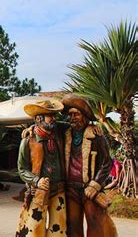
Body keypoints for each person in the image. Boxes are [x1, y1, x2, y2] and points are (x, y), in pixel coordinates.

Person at [62, 94, 117, 237]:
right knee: (72, 224)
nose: (72, 118)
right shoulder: (65, 133)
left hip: (90, 189)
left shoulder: (96, 136)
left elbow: (107, 162)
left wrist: (95, 185)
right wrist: (30, 130)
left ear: (84, 116)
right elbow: (47, 127)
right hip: (71, 189)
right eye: (70, 115)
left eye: (76, 114)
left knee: (95, 223)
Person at [16, 99, 67, 237]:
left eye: (54, 116)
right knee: (34, 226)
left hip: (59, 189)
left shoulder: (60, 132)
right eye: (50, 116)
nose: (54, 119)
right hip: (39, 191)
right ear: (39, 118)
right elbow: (21, 168)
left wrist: (92, 126)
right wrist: (36, 181)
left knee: (59, 227)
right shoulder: (28, 140)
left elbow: (77, 125)